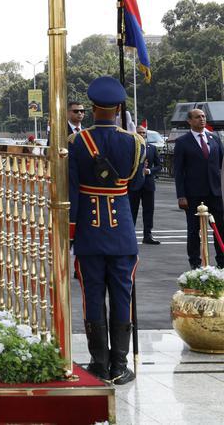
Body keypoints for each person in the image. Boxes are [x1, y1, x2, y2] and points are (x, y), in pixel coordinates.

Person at [68, 76, 145, 385]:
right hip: (122, 231)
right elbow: (136, 185)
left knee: (93, 296)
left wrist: (71, 232)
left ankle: (99, 363)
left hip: (89, 230)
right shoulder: (134, 142)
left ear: (92, 107)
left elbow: (72, 191)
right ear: (117, 109)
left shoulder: (77, 143)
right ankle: (120, 365)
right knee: (123, 296)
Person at [173, 107, 224, 269]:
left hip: (215, 192)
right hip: (193, 194)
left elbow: (220, 163)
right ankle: (195, 264)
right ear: (189, 121)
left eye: (203, 116)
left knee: (220, 228)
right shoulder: (182, 142)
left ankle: (221, 262)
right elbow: (178, 171)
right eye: (197, 117)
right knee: (194, 230)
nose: (202, 119)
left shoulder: (214, 139)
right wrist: (181, 195)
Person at [129, 125, 161, 245]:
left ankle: (147, 235)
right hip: (134, 183)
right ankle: (130, 235)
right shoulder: (130, 148)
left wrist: (149, 171)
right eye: (139, 132)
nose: (141, 135)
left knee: (149, 210)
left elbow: (159, 166)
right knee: (132, 210)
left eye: (143, 133)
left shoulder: (152, 148)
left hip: (148, 183)